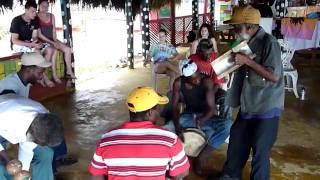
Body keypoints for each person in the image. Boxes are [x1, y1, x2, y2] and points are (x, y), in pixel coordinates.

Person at [221, 6, 284, 180]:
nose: (234, 30)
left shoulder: (269, 43)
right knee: (236, 141)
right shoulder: (243, 42)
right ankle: (230, 176)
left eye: (236, 27)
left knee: (260, 150)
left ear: (249, 27)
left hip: (266, 106)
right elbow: (235, 65)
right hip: (248, 103)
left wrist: (248, 62)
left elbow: (274, 76)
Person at [0, 52, 77, 174]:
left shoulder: (25, 83)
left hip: (19, 122)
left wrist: (23, 172)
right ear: (29, 69)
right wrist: (6, 158)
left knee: (51, 132)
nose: (42, 76)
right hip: (5, 123)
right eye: (40, 72)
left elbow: (27, 146)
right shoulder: (9, 88)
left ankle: (54, 162)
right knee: (3, 168)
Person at [89, 87, 190, 179]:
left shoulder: (106, 139)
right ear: (150, 112)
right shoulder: (170, 139)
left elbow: (96, 176)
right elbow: (182, 173)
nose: (159, 114)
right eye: (158, 109)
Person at [164, 59, 232, 174]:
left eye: (198, 76)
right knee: (166, 128)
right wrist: (177, 126)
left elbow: (211, 108)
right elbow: (175, 107)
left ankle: (201, 158)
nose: (197, 80)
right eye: (194, 79)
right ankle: (166, 160)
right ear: (185, 78)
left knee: (228, 125)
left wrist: (202, 120)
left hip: (206, 117)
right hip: (188, 117)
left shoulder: (207, 81)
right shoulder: (178, 83)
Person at [0, 93, 64, 179]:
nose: (44, 145)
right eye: (44, 143)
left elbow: (26, 149)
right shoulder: (6, 116)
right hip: (3, 121)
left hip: (15, 125)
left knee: (46, 154)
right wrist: (7, 160)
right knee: (1, 168)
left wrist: (23, 173)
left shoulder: (44, 120)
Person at [9, 0, 54, 87]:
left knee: (49, 49)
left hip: (29, 43)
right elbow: (14, 40)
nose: (34, 14)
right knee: (36, 51)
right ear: (26, 10)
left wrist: (35, 42)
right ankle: (43, 78)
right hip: (18, 44)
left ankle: (40, 74)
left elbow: (34, 36)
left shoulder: (35, 19)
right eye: (32, 11)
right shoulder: (16, 21)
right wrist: (31, 45)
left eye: (35, 11)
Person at [37, 0, 76, 83]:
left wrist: (55, 41)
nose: (45, 8)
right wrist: (52, 43)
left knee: (67, 49)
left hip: (52, 39)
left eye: (46, 6)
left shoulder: (52, 16)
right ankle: (51, 75)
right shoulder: (36, 17)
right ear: (39, 6)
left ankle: (69, 71)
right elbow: (39, 35)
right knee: (53, 50)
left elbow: (54, 31)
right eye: (42, 6)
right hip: (42, 40)